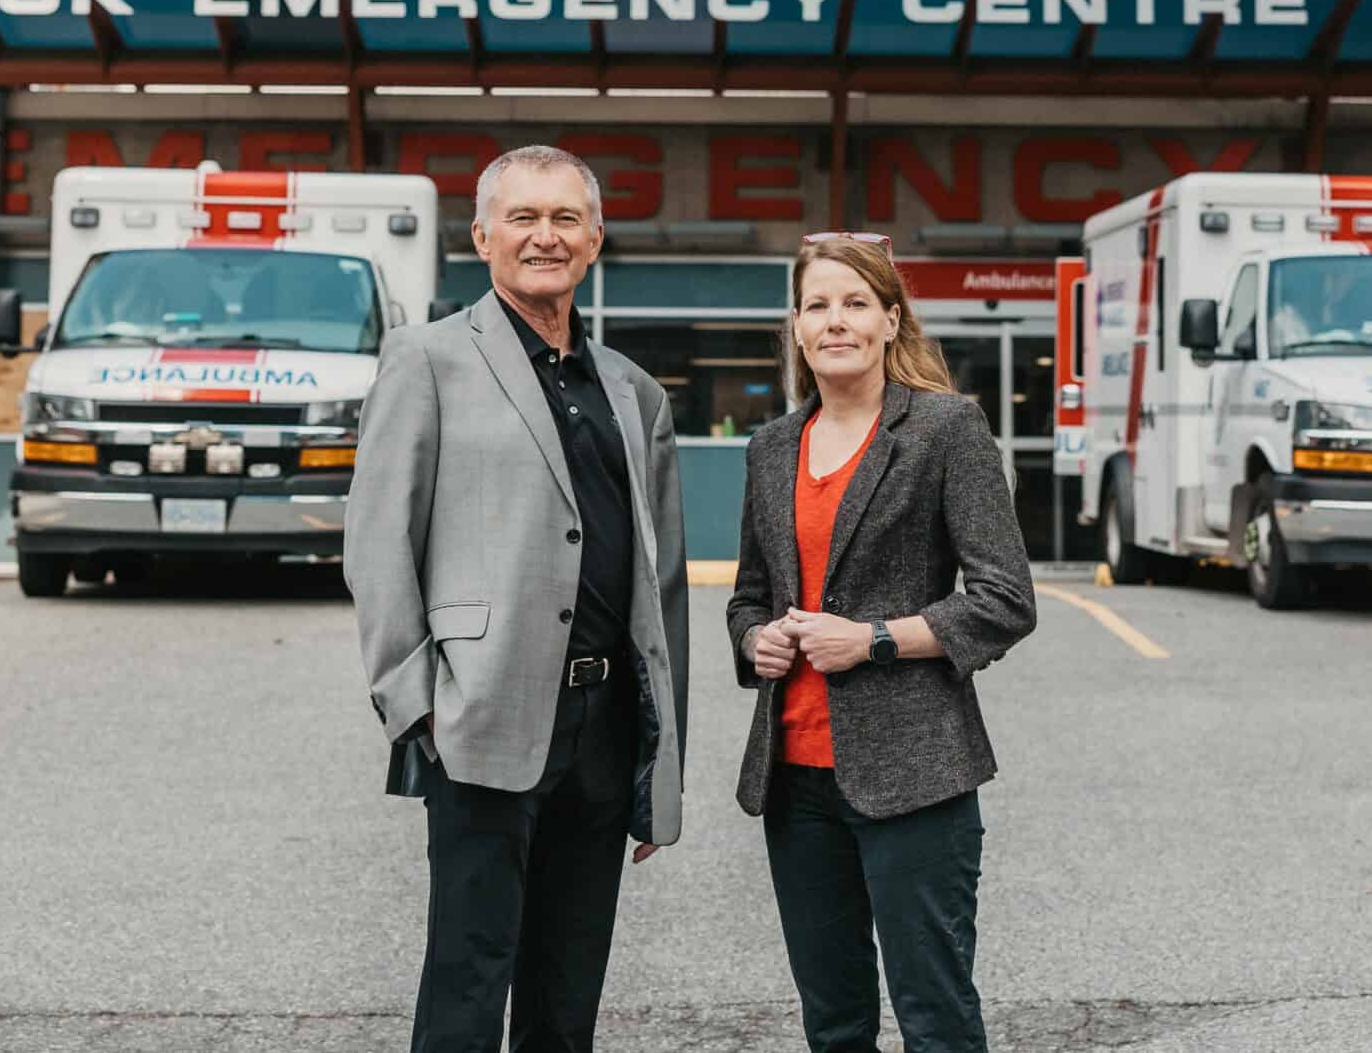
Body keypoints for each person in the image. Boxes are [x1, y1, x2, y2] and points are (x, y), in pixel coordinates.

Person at [346, 145, 690, 1053]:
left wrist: (662, 759)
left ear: (596, 238)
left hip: (607, 727)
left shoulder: (635, 393)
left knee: (566, 997)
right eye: (525, 217)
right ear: (483, 235)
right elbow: (377, 545)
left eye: (566, 218)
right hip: (480, 717)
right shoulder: (425, 360)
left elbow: (661, 588)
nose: (546, 235)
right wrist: (415, 707)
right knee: (466, 982)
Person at [726, 233, 1037, 1053]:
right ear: (795, 326)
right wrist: (754, 638)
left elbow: (1006, 600)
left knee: (934, 1014)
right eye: (818, 305)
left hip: (918, 778)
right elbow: (750, 594)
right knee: (833, 1021)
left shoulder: (944, 429)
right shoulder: (771, 449)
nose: (837, 321)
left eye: (856, 303)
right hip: (796, 782)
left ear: (890, 321)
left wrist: (873, 641)